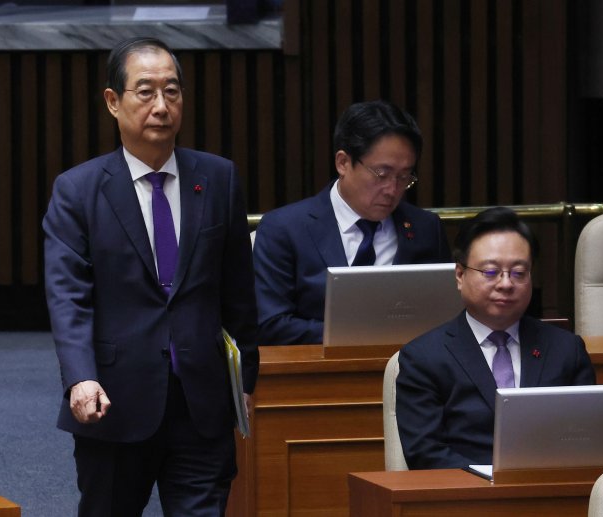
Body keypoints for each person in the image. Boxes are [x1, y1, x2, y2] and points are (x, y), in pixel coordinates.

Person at [42, 36, 258, 516]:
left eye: (173, 91)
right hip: (114, 401)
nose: (162, 106)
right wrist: (80, 378)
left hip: (201, 400)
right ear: (113, 101)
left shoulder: (218, 179)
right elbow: (67, 297)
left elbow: (238, 289)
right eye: (146, 92)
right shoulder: (79, 190)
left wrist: (246, 378)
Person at [396, 206, 596, 469]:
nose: (505, 283)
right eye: (490, 272)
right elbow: (425, 453)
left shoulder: (566, 349)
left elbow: (588, 435)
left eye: (518, 273)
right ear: (459, 275)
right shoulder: (424, 358)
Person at [252, 100, 451, 345]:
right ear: (343, 163)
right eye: (382, 174)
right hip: (318, 375)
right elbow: (270, 324)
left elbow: (446, 318)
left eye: (403, 177)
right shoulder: (284, 229)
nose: (392, 189)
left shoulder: (425, 228)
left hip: (410, 372)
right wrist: (362, 334)